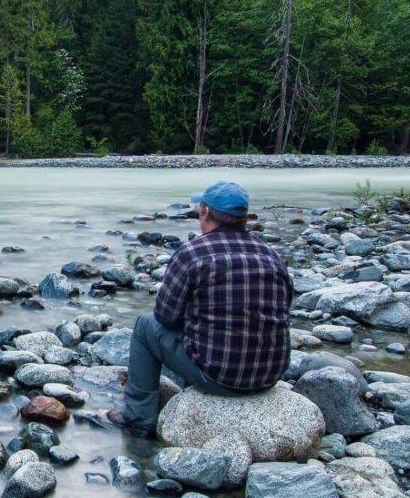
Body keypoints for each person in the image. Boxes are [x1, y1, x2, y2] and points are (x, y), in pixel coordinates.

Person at [108, 181, 293, 437]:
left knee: (144, 325)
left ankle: (138, 419)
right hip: (269, 375)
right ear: (243, 217)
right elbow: (283, 309)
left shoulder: (192, 253)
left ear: (205, 212)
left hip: (219, 377)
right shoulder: (270, 255)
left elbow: (165, 316)